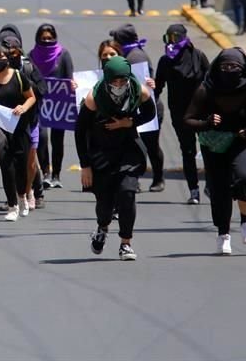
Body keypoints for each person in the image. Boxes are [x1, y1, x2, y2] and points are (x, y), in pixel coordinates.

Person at [184, 48, 246, 255]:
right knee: (219, 189)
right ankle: (223, 235)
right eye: (225, 66)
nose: (229, 70)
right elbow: (188, 119)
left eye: (234, 67)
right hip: (214, 143)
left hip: (243, 140)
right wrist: (206, 122)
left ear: (243, 69)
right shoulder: (206, 88)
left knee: (243, 176)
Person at [75, 56, 155, 261]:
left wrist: (129, 123)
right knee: (105, 204)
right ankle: (102, 227)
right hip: (101, 153)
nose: (119, 85)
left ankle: (125, 243)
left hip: (128, 150)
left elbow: (149, 114)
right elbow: (80, 131)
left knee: (127, 194)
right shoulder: (94, 98)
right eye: (115, 81)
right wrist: (85, 165)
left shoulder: (140, 91)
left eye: (123, 81)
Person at [0, 42, 36, 221]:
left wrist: (23, 107)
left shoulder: (19, 77)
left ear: (9, 58)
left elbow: (31, 97)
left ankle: (23, 197)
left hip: (19, 129)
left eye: (1, 57)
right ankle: (12, 206)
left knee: (21, 167)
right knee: (6, 167)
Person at [155, 24, 210, 204]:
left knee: (209, 150)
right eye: (169, 38)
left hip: (202, 112)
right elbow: (157, 86)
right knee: (188, 152)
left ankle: (210, 184)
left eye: (175, 38)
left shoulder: (199, 57)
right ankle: (194, 190)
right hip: (180, 115)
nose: (172, 42)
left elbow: (211, 82)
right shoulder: (165, 61)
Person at [109, 24, 164, 192]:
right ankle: (135, 180)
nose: (113, 43)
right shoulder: (129, 54)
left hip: (146, 109)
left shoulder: (135, 57)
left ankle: (157, 178)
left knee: (149, 144)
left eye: (116, 40)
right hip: (135, 108)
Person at [31, 24, 74, 189]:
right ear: (38, 39)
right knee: (41, 138)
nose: (47, 41)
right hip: (40, 105)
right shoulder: (32, 56)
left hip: (59, 106)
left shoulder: (63, 55)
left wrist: (72, 86)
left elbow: (69, 78)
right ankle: (46, 172)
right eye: (44, 39)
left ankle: (56, 174)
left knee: (58, 140)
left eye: (50, 38)